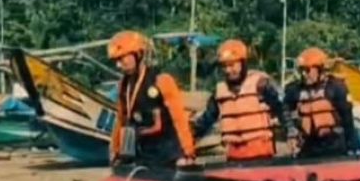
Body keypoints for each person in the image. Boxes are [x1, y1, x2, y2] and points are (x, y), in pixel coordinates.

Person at [107, 30, 196, 168]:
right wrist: (116, 150)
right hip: (143, 155)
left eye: (121, 59)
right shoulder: (123, 86)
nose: (118, 65)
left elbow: (179, 118)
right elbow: (120, 120)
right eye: (116, 61)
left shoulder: (162, 80)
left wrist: (187, 152)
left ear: (138, 54)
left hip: (169, 154)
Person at [193, 39, 287, 162]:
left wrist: (291, 132)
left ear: (243, 64)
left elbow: (282, 109)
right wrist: (190, 137)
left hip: (261, 155)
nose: (228, 71)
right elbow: (206, 120)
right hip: (234, 155)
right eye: (224, 66)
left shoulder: (261, 85)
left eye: (232, 65)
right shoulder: (219, 92)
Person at [283, 47, 360, 159]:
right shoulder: (294, 90)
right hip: (308, 146)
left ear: (320, 69)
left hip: (335, 144)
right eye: (301, 70)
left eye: (307, 70)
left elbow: (348, 120)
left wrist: (353, 145)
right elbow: (284, 110)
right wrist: (290, 130)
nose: (304, 74)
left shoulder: (335, 87)